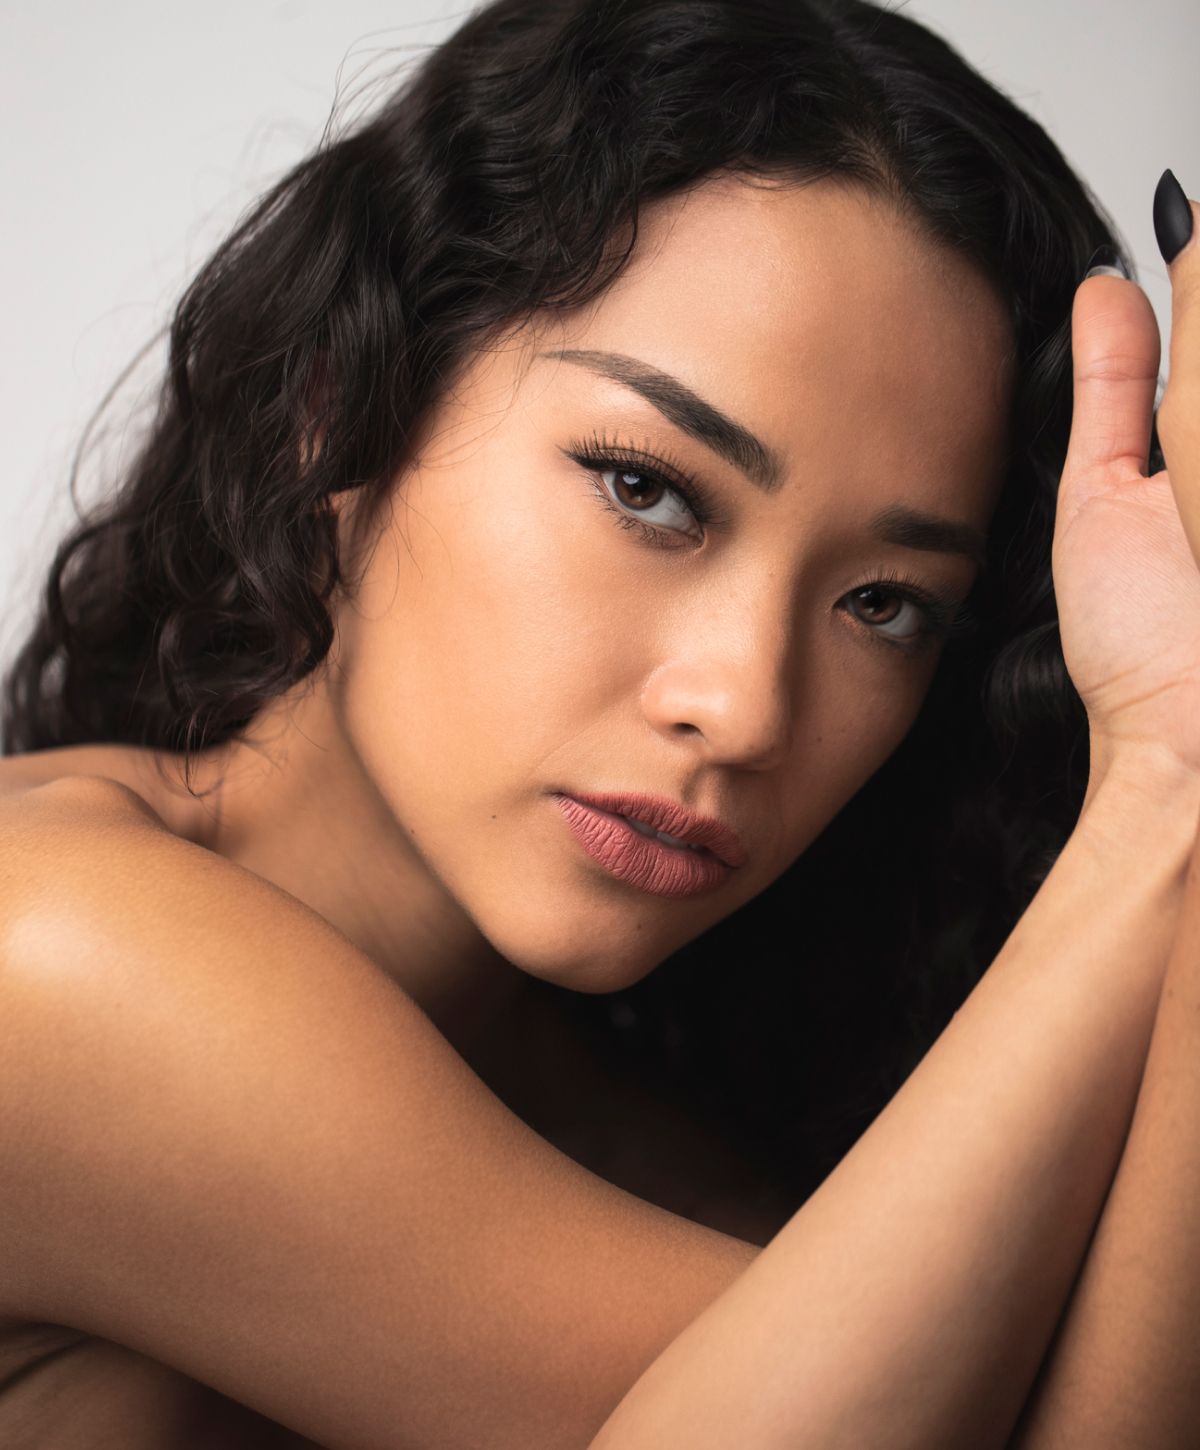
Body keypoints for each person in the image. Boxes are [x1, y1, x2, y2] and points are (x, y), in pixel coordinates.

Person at [0, 0, 1196, 1443]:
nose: (743, 707)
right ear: (342, 404)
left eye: (885, 604)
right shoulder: (50, 956)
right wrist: (1165, 781)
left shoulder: (654, 1146)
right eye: (649, 489)